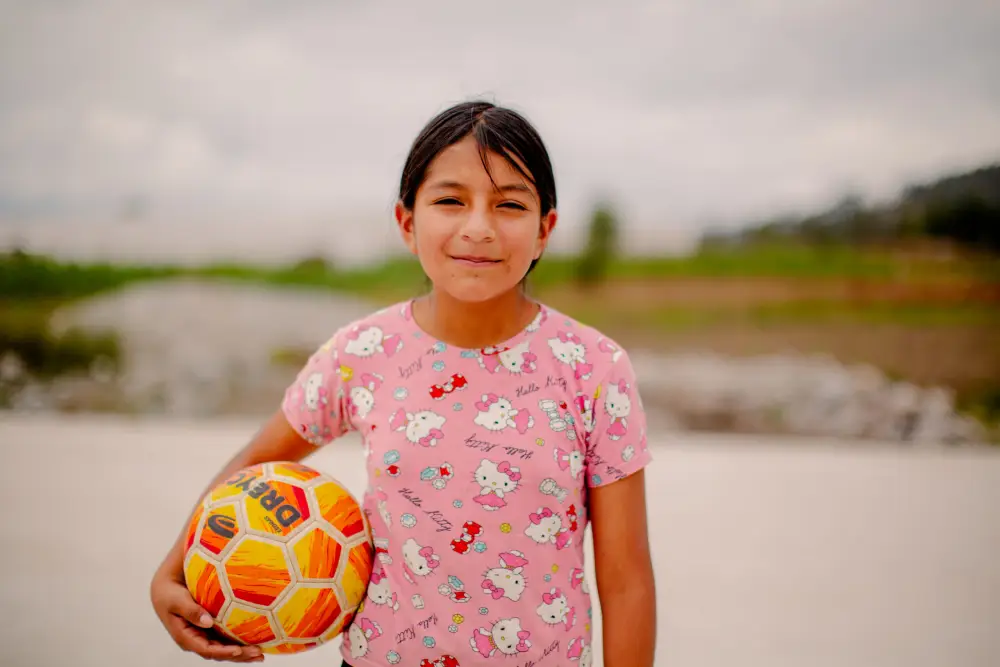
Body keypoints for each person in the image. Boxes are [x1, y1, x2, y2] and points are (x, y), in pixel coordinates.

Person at [150, 100, 657, 667]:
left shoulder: (593, 369)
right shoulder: (361, 353)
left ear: (544, 230)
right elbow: (252, 471)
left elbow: (626, 580)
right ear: (407, 223)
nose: (479, 228)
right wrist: (170, 573)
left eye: (509, 204)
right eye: (450, 201)